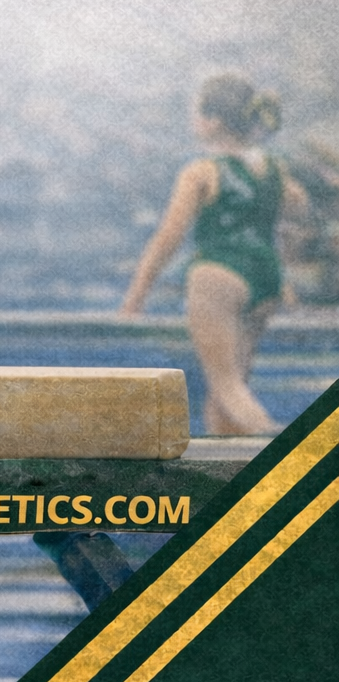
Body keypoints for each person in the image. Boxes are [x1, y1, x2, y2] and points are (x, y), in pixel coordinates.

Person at [121, 73, 305, 434]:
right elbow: (297, 209)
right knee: (225, 405)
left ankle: (300, 464)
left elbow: (168, 238)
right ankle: (235, 487)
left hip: (218, 275)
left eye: (196, 113)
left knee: (228, 388)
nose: (192, 121)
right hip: (265, 277)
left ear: (213, 120)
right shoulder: (273, 169)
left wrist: (136, 297)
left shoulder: (202, 170)